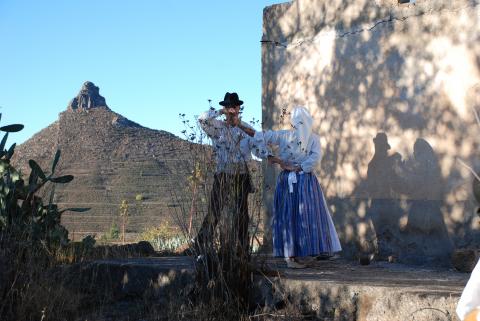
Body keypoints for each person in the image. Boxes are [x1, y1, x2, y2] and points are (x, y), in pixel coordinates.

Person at [249, 106, 342, 268]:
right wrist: (273, 158)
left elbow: (258, 138)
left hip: (297, 179)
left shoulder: (288, 136)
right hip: (300, 180)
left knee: (298, 215)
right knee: (296, 214)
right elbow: (314, 158)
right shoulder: (301, 137)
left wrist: (279, 161)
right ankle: (292, 256)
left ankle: (297, 254)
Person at [194, 92, 260, 261]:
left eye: (234, 107)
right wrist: (220, 112)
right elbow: (202, 119)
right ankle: (201, 244)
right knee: (214, 210)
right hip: (222, 174)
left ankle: (243, 250)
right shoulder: (217, 127)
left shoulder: (245, 128)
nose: (232, 110)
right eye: (229, 107)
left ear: (239, 108)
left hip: (241, 175)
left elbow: (258, 144)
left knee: (241, 214)